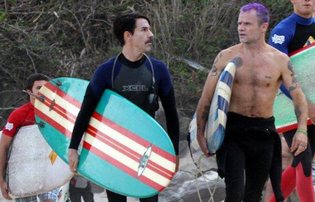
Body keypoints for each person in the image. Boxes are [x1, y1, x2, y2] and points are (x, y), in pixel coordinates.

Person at [195, 2, 309, 202]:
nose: (241, 28)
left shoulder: (280, 60)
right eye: (239, 23)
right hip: (234, 131)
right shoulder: (226, 56)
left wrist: (302, 130)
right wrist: (200, 132)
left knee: (254, 195)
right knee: (235, 193)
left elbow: (298, 96)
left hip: (263, 132)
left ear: (263, 26)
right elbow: (207, 98)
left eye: (247, 24)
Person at [68, 11, 180, 202]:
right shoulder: (106, 71)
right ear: (128, 36)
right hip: (114, 149)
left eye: (150, 29)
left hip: (148, 149)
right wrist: (73, 147)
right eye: (144, 30)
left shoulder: (158, 69)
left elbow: (171, 114)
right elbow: (86, 111)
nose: (151, 34)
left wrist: (174, 153)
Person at [267, 0, 315, 201]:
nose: (306, 0)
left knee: (301, 161)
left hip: (314, 105)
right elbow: (279, 75)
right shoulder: (282, 31)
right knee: (303, 160)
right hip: (288, 106)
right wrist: (305, 106)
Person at [0, 73, 61, 202]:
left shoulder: (56, 113)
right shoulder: (19, 114)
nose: (43, 91)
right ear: (29, 91)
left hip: (49, 168)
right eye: (39, 88)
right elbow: (3, 147)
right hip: (24, 170)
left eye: (46, 88)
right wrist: (1, 180)